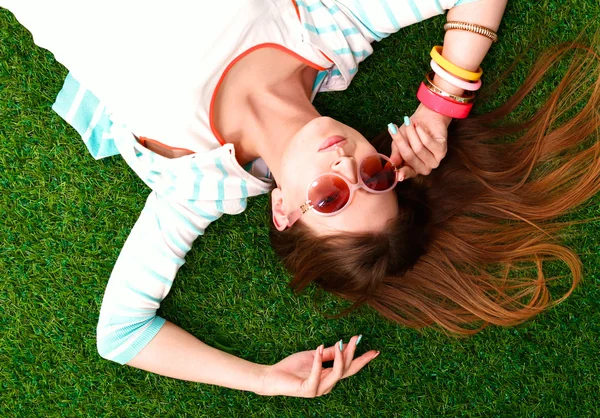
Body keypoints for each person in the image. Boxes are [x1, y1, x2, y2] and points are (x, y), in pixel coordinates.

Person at [10, 0, 596, 398]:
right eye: (373, 177)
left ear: (284, 209)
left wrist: (264, 379)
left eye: (330, 196)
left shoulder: (192, 183)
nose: (344, 163)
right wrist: (442, 103)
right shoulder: (330, 31)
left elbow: (120, 334)